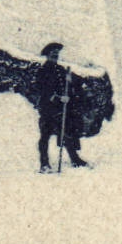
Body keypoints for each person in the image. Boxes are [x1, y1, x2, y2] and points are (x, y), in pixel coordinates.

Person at [35, 43, 87, 172]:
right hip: (48, 108)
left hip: (60, 108)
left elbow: (71, 83)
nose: (55, 56)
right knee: (45, 136)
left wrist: (71, 80)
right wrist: (58, 98)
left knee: (66, 133)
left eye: (57, 54)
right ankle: (44, 164)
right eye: (53, 54)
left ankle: (75, 159)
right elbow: (42, 89)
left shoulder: (61, 70)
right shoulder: (43, 71)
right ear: (47, 55)